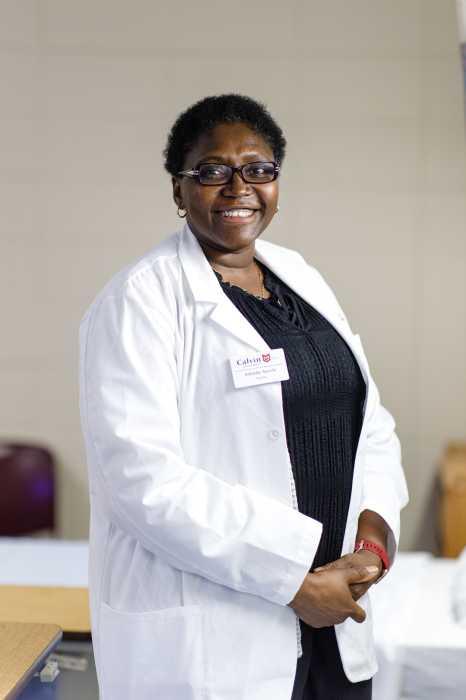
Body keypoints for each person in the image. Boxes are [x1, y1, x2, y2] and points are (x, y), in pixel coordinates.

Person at [79, 93, 409, 700]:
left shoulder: (300, 276)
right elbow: (142, 480)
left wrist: (372, 541)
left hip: (336, 624)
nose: (239, 187)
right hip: (221, 641)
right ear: (179, 191)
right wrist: (292, 581)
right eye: (211, 172)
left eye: (259, 170)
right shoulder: (141, 302)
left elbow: (371, 424)